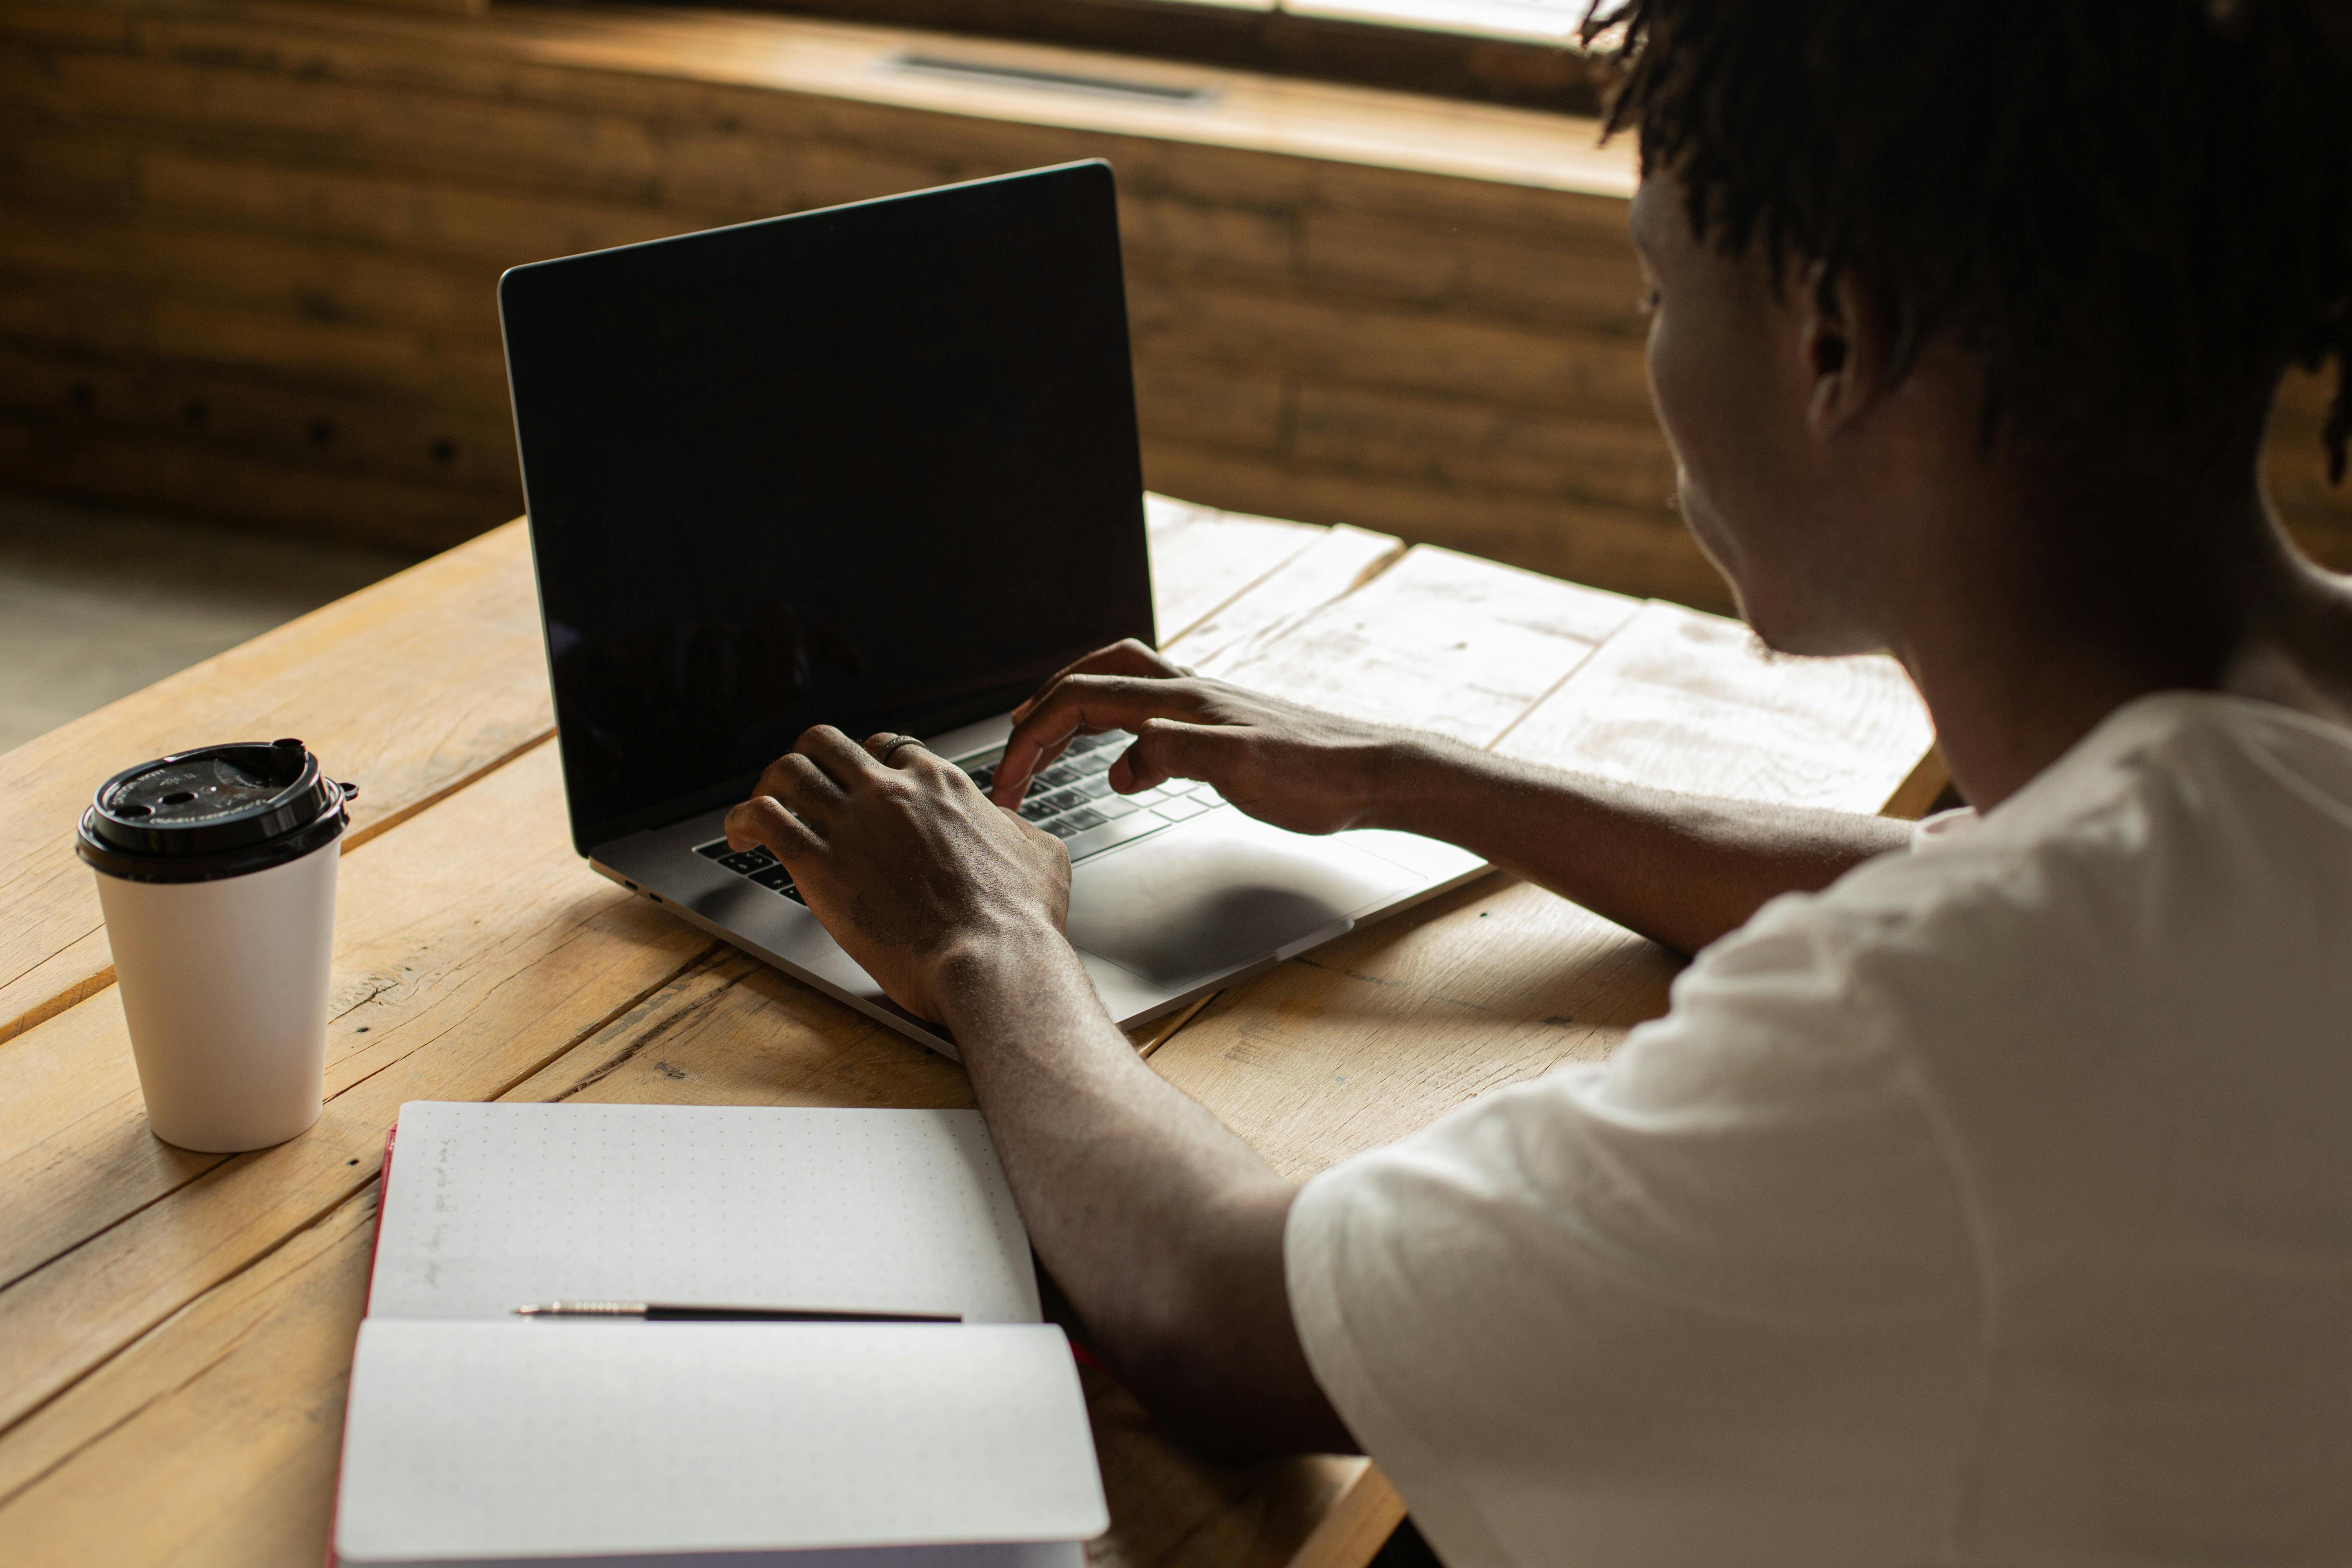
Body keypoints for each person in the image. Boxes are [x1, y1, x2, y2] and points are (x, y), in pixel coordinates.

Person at [723, 2, 2352, 1561]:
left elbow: (1218, 1314)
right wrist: (1412, 775)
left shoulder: (1930, 1046)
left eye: (1656, 288)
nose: (1650, 345)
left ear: (1834, 336)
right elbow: (1949, 878)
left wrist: (989, 941)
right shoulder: (2267, 764)